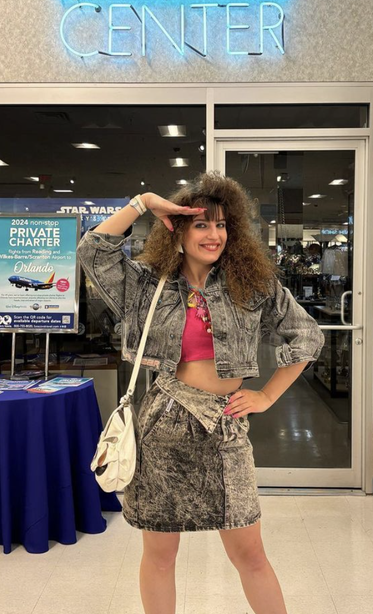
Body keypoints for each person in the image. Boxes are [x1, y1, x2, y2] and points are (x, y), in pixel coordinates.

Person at [78, 172, 324, 614]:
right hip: (163, 427)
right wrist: (144, 201)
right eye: (202, 224)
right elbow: (93, 252)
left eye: (223, 225)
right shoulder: (147, 285)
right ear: (179, 229)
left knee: (250, 553)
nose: (215, 235)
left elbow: (307, 337)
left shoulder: (252, 285)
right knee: (160, 556)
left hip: (226, 426)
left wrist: (267, 395)